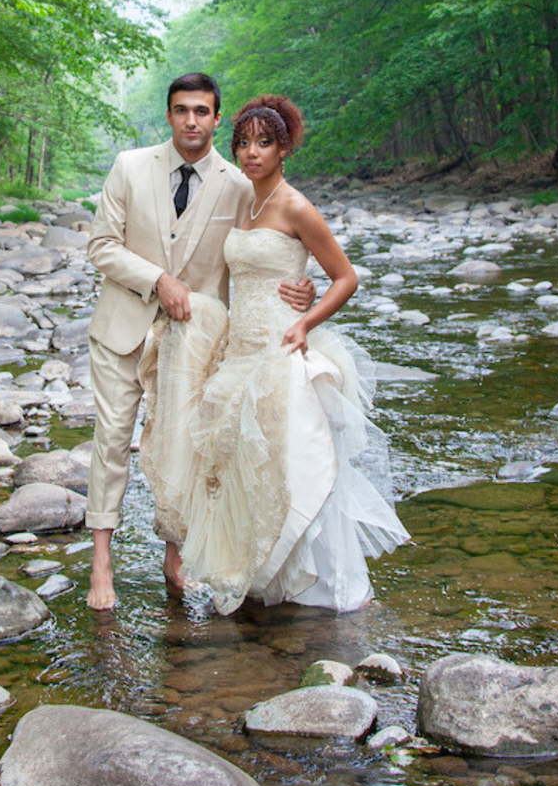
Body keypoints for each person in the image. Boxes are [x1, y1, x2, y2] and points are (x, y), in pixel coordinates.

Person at [138, 95, 409, 613]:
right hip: (239, 348)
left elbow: (346, 277)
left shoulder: (294, 204)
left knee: (287, 463)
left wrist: (307, 318)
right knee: (239, 461)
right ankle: (261, 579)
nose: (251, 153)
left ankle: (310, 586)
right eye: (243, 142)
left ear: (285, 148)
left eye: (264, 143)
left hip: (281, 345)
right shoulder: (248, 202)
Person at [84, 73, 315, 611]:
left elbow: (262, 246)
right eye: (182, 110)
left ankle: (176, 552)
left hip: (194, 338)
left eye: (202, 111)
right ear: (169, 115)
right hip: (124, 328)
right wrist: (157, 280)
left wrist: (299, 283)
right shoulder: (129, 167)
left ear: (217, 117)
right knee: (113, 440)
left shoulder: (239, 183)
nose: (192, 120)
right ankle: (101, 562)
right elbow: (100, 246)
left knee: (184, 442)